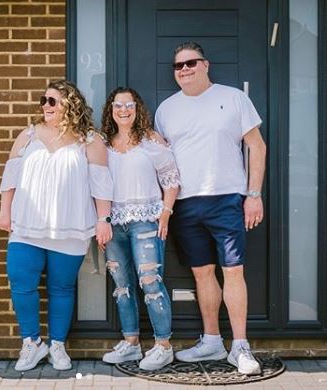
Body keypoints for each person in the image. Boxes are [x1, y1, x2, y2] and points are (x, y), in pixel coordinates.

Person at [154, 42, 267, 375]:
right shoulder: (166, 109)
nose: (184, 69)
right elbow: (160, 160)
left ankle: (241, 348)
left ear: (205, 65)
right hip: (185, 205)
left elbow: (257, 147)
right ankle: (213, 340)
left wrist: (254, 194)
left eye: (190, 63)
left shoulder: (233, 98)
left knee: (233, 271)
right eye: (178, 66)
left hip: (227, 198)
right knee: (202, 274)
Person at [0, 80, 113, 371]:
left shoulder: (90, 140)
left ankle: (58, 346)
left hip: (70, 226)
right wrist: (4, 212)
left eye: (52, 101)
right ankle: (32, 343)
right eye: (43, 100)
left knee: (62, 288)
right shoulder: (27, 135)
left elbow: (101, 186)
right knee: (21, 283)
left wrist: (103, 220)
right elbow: (9, 179)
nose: (45, 106)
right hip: (26, 225)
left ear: (70, 105)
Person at [101, 87, 180, 371]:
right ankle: (131, 344)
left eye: (129, 105)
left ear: (137, 108)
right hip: (114, 224)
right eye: (118, 105)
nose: (124, 110)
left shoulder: (150, 141)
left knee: (151, 283)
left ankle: (163, 346)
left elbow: (171, 179)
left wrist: (166, 214)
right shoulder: (104, 145)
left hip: (146, 220)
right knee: (122, 287)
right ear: (111, 110)